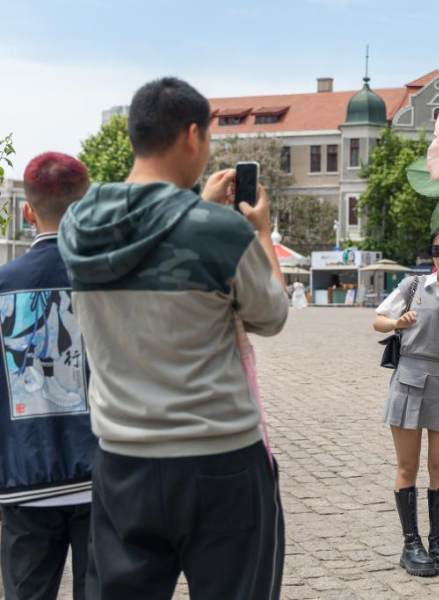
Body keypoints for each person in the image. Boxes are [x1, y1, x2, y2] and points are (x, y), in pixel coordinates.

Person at [58, 77, 289, 600]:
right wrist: (259, 233)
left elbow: (148, 230)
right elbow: (271, 315)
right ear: (191, 135)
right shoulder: (219, 232)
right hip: (220, 459)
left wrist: (193, 206)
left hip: (123, 460)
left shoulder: (79, 228)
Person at [0, 152, 96, 600]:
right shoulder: (111, 281)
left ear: (27, 211)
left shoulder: (3, 284)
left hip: (24, 480)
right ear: (85, 208)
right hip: (103, 478)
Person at [372, 223, 439, 578]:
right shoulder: (413, 285)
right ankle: (411, 546)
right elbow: (378, 320)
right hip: (408, 379)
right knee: (407, 467)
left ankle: (437, 544)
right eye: (437, 250)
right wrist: (396, 322)